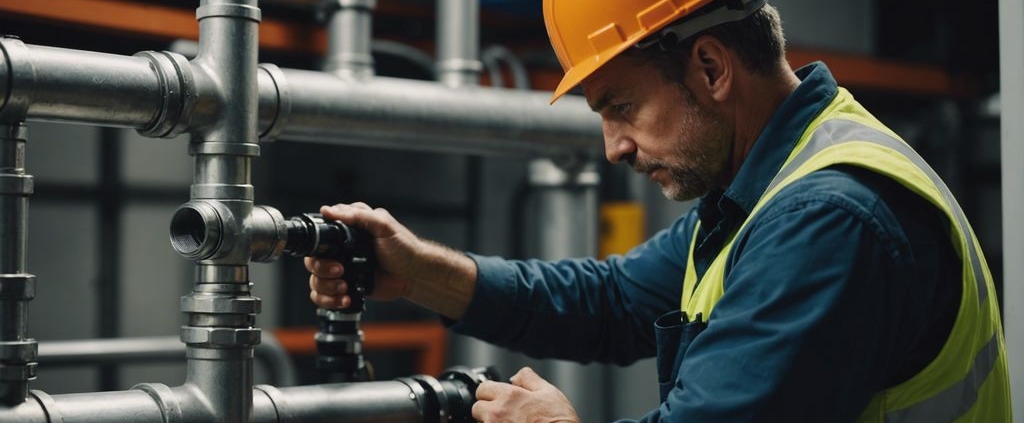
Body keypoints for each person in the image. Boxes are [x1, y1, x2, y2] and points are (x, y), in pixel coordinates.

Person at [306, 0, 1013, 421]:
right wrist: (416, 270)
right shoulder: (762, 192)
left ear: (710, 68)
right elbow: (611, 301)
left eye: (621, 107)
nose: (613, 146)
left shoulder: (827, 218)